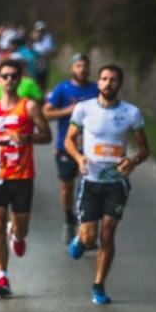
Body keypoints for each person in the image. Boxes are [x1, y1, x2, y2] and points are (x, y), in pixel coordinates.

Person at [65, 64, 149, 305]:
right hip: (90, 181)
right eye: (103, 79)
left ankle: (99, 285)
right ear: (98, 82)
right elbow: (69, 141)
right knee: (90, 236)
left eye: (113, 79)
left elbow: (144, 150)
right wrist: (79, 158)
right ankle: (81, 240)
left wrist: (132, 162)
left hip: (117, 183)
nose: (107, 83)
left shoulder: (132, 113)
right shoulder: (84, 109)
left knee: (108, 233)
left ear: (119, 84)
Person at [0, 59, 51, 298]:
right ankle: (2, 277)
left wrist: (27, 138)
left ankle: (18, 234)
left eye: (14, 76)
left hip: (22, 174)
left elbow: (47, 135)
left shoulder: (29, 106)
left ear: (19, 80)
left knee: (21, 226)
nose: (9, 80)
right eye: (5, 76)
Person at [43, 53, 99, 242]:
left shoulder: (96, 89)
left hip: (92, 149)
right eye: (78, 66)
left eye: (85, 66)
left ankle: (87, 227)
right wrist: (69, 111)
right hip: (66, 146)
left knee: (91, 188)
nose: (81, 69)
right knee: (67, 186)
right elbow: (46, 113)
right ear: (72, 68)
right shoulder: (62, 89)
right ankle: (69, 219)